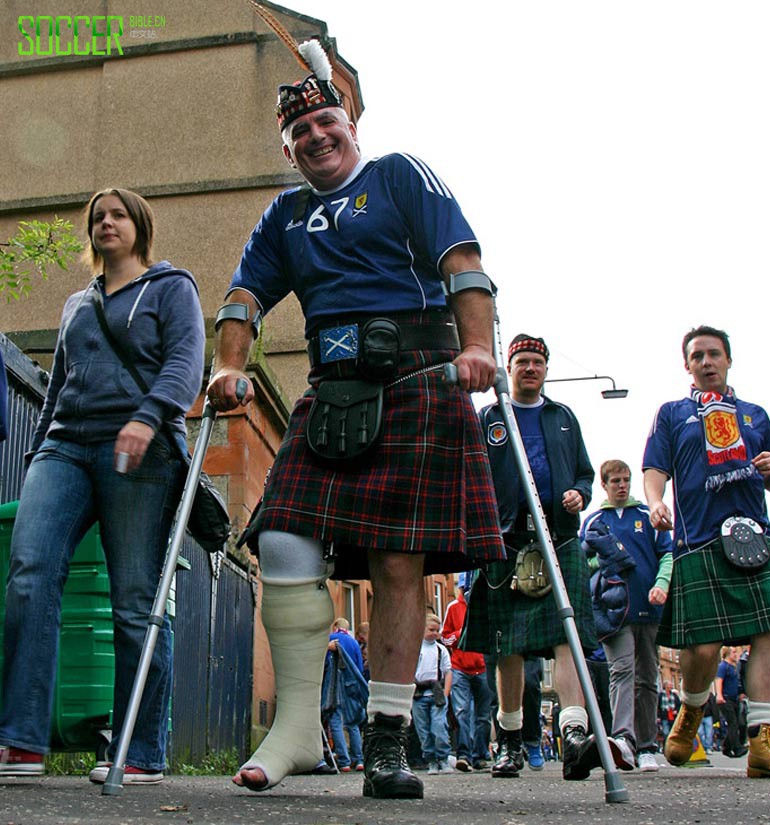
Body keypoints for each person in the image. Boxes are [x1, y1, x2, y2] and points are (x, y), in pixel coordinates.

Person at [206, 43, 504, 799]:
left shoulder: (399, 174)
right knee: (279, 531)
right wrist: (228, 363)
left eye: (326, 122)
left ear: (349, 125)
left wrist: (478, 346)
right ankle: (299, 728)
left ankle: (387, 738)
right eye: (299, 135)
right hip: (332, 385)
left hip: (416, 373)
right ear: (289, 149)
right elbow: (243, 295)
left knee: (397, 559)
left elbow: (461, 259)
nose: (315, 138)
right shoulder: (286, 213)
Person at [0, 189, 204, 783]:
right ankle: (20, 741)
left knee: (134, 602)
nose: (105, 224)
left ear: (139, 226)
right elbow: (57, 386)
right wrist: (40, 452)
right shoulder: (74, 304)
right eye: (97, 218)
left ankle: (139, 751)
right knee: (29, 574)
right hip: (65, 446)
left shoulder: (172, 288)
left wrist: (147, 416)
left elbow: (186, 362)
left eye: (117, 215)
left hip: (140, 447)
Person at [464, 334, 624, 780]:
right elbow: (472, 475)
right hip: (506, 539)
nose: (530, 368)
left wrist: (579, 493)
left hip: (560, 538)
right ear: (508, 369)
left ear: (546, 369)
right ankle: (510, 742)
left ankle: (574, 736)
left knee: (566, 633)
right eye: (522, 362)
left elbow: (584, 474)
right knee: (508, 645)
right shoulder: (490, 417)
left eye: (537, 362)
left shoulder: (563, 418)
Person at [645, 325, 770, 779]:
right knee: (704, 647)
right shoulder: (672, 414)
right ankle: (691, 711)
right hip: (697, 540)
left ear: (728, 360)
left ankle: (764, 740)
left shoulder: (754, 414)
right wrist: (655, 502)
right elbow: (655, 468)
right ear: (687, 365)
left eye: (714, 354)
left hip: (753, 536)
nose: (706, 362)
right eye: (697, 356)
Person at [580, 459, 674, 772]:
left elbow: (667, 554)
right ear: (604, 485)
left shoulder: (647, 516)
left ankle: (647, 744)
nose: (622, 486)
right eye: (615, 481)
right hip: (612, 611)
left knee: (647, 677)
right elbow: (584, 564)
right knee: (621, 671)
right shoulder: (593, 521)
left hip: (648, 609)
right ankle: (623, 739)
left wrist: (662, 584)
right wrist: (604, 564)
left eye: (626, 480)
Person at [440, 579, 492, 771]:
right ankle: (464, 754)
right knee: (462, 712)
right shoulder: (453, 607)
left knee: (483, 715)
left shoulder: (486, 605)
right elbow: (444, 637)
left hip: (484, 667)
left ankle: (480, 755)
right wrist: (459, 634)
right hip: (460, 667)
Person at [324, 618, 368, 772]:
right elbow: (360, 668)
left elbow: (324, 663)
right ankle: (359, 759)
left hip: (334, 685)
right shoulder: (354, 643)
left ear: (335, 626)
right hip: (351, 685)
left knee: (335, 720)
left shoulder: (330, 639)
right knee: (353, 722)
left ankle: (344, 761)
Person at [413, 614, 452, 774]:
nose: (435, 633)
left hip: (436, 694)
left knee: (439, 726)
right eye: (431, 630)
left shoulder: (440, 649)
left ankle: (443, 758)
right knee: (423, 729)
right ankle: (430, 760)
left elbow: (448, 672)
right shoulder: (414, 649)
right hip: (418, 695)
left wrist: (446, 693)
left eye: (437, 630)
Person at [716, 647, 747, 758]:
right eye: (734, 652)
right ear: (727, 654)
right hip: (725, 698)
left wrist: (740, 693)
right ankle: (737, 748)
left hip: (734, 698)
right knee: (733, 723)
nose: (736, 654)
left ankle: (727, 747)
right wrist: (719, 695)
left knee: (737, 723)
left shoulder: (733, 667)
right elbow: (719, 681)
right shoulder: (723, 666)